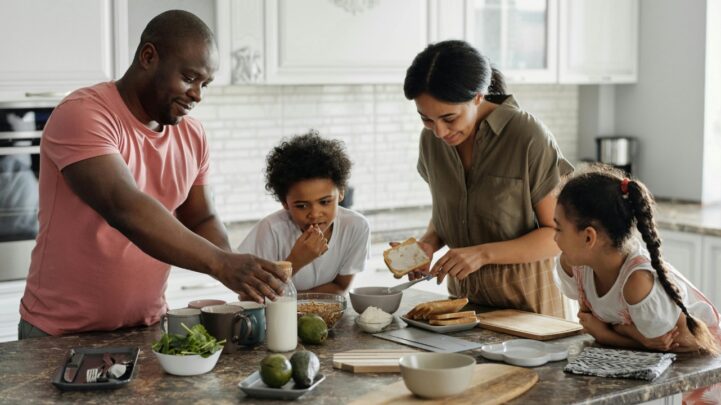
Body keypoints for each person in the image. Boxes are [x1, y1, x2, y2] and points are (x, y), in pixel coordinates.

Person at [19, 10, 287, 339]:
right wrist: (221, 263)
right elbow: (124, 206)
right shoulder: (83, 114)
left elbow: (201, 217)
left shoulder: (192, 135)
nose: (198, 94)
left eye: (205, 84)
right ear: (148, 56)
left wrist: (239, 271)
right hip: (59, 334)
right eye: (189, 78)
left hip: (147, 327)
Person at [402, 40, 572, 317]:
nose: (440, 132)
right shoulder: (431, 142)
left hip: (531, 311)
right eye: (427, 119)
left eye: (449, 118)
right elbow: (451, 214)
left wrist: (482, 254)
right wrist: (427, 245)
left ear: (478, 96)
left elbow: (558, 235)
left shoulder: (526, 135)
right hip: (464, 310)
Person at [553, 166, 720, 403]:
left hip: (705, 368)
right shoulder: (575, 265)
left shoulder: (637, 282)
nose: (554, 238)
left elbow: (679, 344)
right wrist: (633, 335)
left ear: (589, 237)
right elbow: (647, 341)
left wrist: (608, 334)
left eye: (558, 228)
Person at [237, 131, 370, 294]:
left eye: (325, 202)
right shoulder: (271, 230)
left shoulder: (355, 227)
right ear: (285, 202)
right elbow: (248, 297)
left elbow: (340, 287)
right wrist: (296, 261)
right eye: (301, 206)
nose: (314, 214)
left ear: (341, 192)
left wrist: (298, 302)